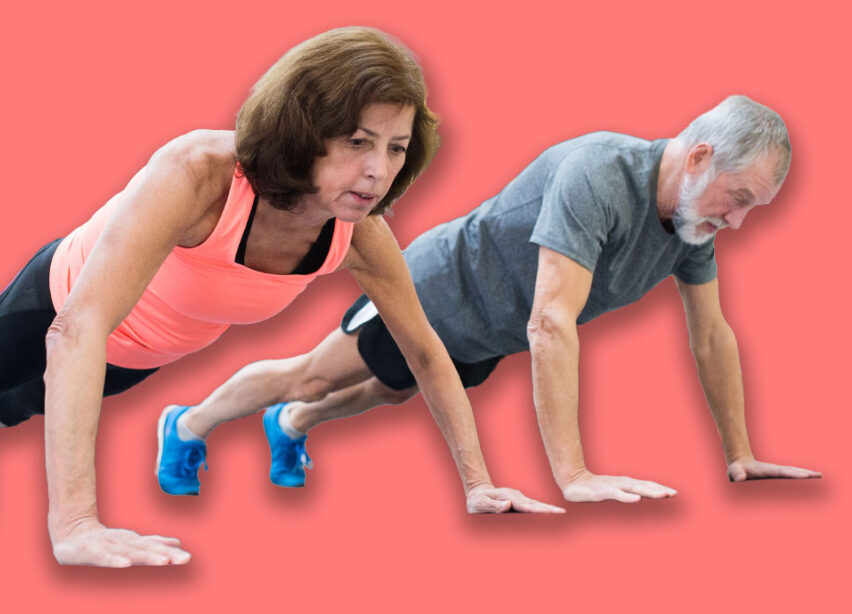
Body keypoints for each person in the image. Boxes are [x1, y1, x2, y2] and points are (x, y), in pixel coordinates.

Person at [0, 27, 559, 569]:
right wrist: (76, 522)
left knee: (21, 406)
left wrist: (478, 483)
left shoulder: (360, 234)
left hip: (149, 349)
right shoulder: (200, 173)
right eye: (358, 142)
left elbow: (427, 352)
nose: (377, 171)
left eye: (395, 149)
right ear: (304, 129)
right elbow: (76, 330)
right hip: (60, 306)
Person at [160, 95, 820, 503]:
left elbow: (712, 336)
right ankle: (188, 426)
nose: (738, 223)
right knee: (311, 373)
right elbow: (551, 323)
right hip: (433, 290)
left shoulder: (692, 223)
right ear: (699, 157)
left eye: (753, 210)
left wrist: (739, 453)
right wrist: (574, 475)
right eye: (739, 199)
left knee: (391, 391)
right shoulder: (600, 173)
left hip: (486, 333)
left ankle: (292, 426)